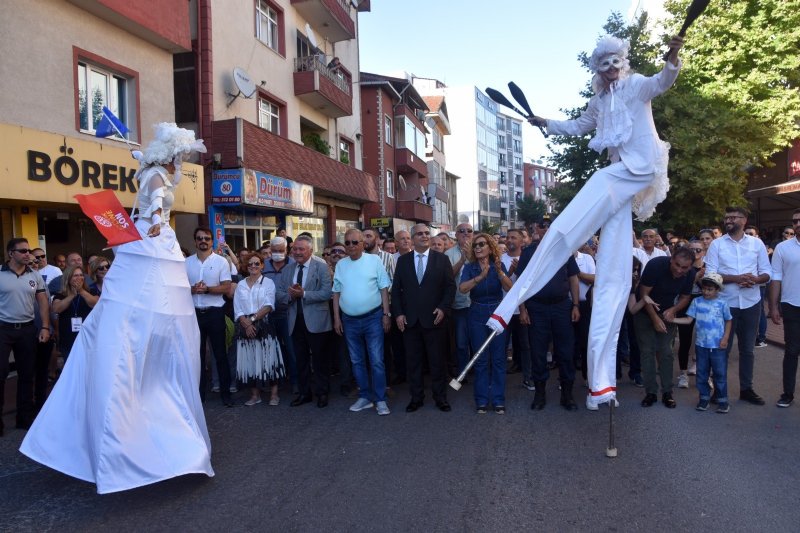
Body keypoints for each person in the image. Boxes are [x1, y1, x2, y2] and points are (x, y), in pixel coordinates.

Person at [488, 34, 684, 410]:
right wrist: (544, 121)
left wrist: (673, 56)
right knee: (612, 259)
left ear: (622, 62)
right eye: (604, 65)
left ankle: (561, 239)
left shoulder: (637, 85)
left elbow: (664, 81)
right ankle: (601, 384)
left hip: (640, 166)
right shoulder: (599, 100)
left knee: (595, 185)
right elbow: (578, 126)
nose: (610, 69)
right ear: (598, 69)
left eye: (614, 62)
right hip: (620, 174)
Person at [21, 123, 213, 493]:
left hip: (152, 248)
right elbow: (155, 204)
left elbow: (150, 181)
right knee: (133, 318)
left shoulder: (151, 169)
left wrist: (143, 161)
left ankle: (158, 412)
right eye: (182, 156)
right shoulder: (156, 176)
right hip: (150, 245)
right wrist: (156, 223)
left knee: (153, 318)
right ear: (171, 154)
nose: (183, 162)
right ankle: (129, 434)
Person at [705, 206, 772, 405]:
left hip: (751, 304)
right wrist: (736, 278)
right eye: (726, 218)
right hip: (725, 304)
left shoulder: (756, 243)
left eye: (733, 217)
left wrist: (755, 279)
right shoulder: (717, 245)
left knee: (748, 350)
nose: (728, 220)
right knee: (721, 349)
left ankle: (746, 389)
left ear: (744, 220)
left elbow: (767, 273)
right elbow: (710, 274)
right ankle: (719, 390)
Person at [392, 224, 456, 413]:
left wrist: (444, 308)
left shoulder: (441, 259)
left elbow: (450, 288)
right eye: (420, 234)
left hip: (435, 319)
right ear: (412, 238)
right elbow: (396, 290)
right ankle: (416, 398)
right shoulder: (403, 261)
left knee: (437, 362)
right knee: (414, 362)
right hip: (410, 321)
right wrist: (399, 313)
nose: (424, 236)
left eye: (427, 233)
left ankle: (440, 398)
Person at [333, 229, 392, 415]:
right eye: (347, 243)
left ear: (362, 244)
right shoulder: (341, 265)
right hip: (349, 320)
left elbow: (384, 288)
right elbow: (336, 293)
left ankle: (380, 398)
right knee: (356, 361)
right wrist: (336, 318)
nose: (350, 246)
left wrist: (386, 314)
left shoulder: (374, 261)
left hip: (373, 318)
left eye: (354, 242)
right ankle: (365, 396)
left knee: (376, 360)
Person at [0, 238, 51, 436]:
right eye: (22, 251)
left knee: (27, 374)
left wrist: (45, 327)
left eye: (28, 250)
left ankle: (24, 418)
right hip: (3, 329)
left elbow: (43, 302)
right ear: (11, 253)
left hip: (27, 330)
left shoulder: (34, 275)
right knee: (0, 373)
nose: (27, 254)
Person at [276, 235, 333, 408]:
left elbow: (326, 293)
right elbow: (278, 294)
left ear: (310, 250)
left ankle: (322, 393)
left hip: (317, 321)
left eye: (301, 249)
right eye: (295, 249)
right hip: (295, 321)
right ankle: (304, 393)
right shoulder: (287, 269)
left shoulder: (321, 267)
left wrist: (304, 294)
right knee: (300, 360)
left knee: (319, 360)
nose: (297, 252)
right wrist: (291, 296)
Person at [635, 248, 695, 408]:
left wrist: (674, 309)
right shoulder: (655, 265)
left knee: (666, 352)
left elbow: (685, 297)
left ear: (690, 267)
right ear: (671, 259)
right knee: (647, 351)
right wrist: (654, 318)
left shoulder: (690, 274)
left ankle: (667, 392)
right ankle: (651, 392)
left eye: (684, 268)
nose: (679, 270)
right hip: (644, 312)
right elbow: (644, 294)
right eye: (677, 265)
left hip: (667, 312)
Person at [459, 233, 513, 413]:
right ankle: (481, 400)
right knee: (481, 359)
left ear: (490, 247)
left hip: (497, 312)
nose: (478, 248)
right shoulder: (470, 267)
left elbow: (509, 288)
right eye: (475, 245)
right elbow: (462, 289)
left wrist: (498, 272)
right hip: (477, 313)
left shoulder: (499, 265)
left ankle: (498, 399)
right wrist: (480, 277)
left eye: (482, 244)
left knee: (498, 358)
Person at [668, 273, 732, 413]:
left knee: (719, 373)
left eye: (710, 289)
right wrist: (673, 320)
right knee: (702, 373)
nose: (706, 292)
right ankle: (703, 398)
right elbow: (689, 320)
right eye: (704, 288)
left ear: (717, 290)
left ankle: (722, 400)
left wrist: (725, 338)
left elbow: (728, 321)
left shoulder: (722, 303)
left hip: (718, 345)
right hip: (701, 345)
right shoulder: (696, 302)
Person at [186, 227, 234, 406]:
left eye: (206, 238)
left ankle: (226, 394)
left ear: (211, 241)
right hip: (194, 314)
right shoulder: (186, 263)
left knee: (220, 354)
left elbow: (227, 287)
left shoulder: (221, 262)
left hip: (215, 313)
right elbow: (180, 288)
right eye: (199, 238)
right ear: (195, 241)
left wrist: (207, 289)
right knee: (196, 356)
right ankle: (199, 395)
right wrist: (192, 289)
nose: (203, 241)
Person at [234, 253, 283, 407]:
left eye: (256, 264)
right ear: (246, 266)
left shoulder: (268, 283)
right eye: (250, 264)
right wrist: (246, 324)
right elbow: (237, 308)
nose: (253, 266)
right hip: (245, 326)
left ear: (262, 265)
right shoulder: (241, 284)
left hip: (264, 323)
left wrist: (252, 320)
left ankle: (274, 395)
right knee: (250, 360)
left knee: (269, 359)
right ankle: (255, 395)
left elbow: (269, 305)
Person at [769, 210, 800, 408]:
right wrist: (773, 306)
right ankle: (787, 393)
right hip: (791, 305)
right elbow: (776, 278)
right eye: (795, 221)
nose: (798, 223)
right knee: (792, 351)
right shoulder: (783, 248)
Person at [50, 265, 98, 362]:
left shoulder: (91, 291)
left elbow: (95, 304)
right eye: (75, 276)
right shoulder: (60, 294)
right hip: (68, 339)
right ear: (68, 278)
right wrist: (72, 295)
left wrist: (81, 291)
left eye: (81, 275)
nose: (79, 278)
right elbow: (56, 309)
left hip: (88, 338)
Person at [445, 222, 474, 375]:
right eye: (461, 231)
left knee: (477, 341)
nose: (465, 233)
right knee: (461, 343)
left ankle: (478, 369)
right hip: (459, 305)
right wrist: (463, 260)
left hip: (477, 304)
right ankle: (463, 372)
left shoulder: (480, 249)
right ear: (456, 235)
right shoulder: (449, 254)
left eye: (469, 230)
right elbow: (448, 277)